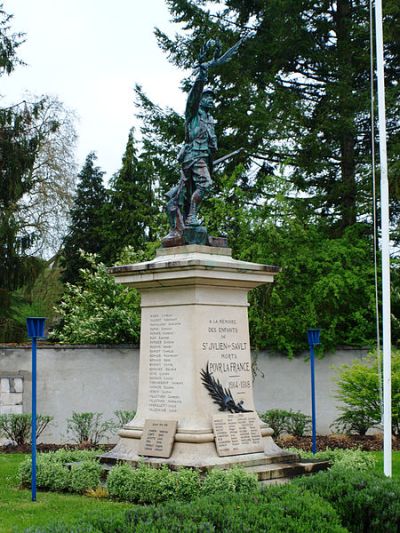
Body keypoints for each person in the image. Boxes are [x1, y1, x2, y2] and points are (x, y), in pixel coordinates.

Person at [162, 37, 249, 246]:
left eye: (212, 97)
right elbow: (194, 95)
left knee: (187, 193)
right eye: (209, 97)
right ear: (201, 99)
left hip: (202, 158)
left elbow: (210, 147)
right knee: (205, 185)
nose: (212, 100)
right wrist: (202, 74)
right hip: (193, 158)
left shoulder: (209, 120)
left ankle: (185, 225)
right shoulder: (193, 114)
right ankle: (190, 218)